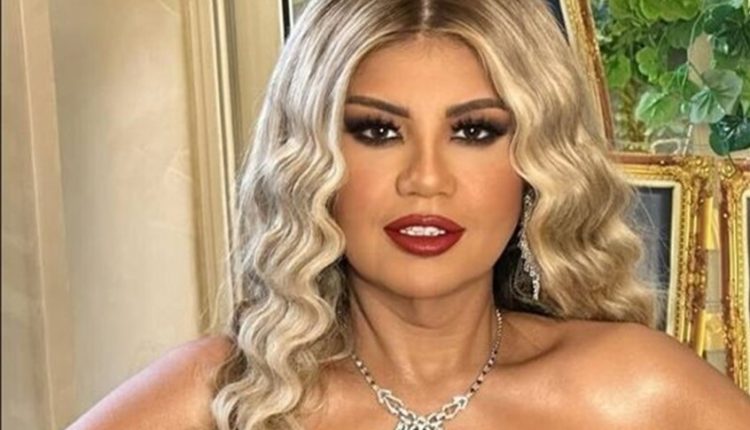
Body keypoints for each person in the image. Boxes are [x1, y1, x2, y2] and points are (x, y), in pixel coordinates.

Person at [68, 0, 750, 429]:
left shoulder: (635, 393)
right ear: (311, 162)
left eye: (475, 131)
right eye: (377, 131)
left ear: (535, 163)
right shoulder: (219, 398)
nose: (425, 179)